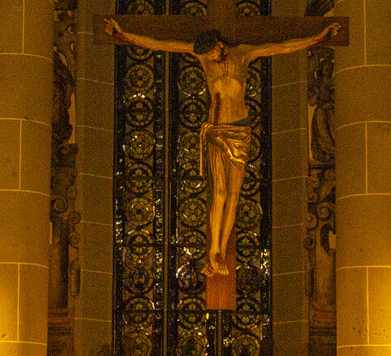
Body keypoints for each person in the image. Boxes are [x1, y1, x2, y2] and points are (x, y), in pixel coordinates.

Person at [104, 17, 339, 278]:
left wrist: (319, 37)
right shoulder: (204, 59)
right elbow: (161, 44)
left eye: (213, 51)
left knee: (234, 196)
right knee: (219, 193)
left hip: (240, 132)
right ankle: (214, 250)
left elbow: (282, 47)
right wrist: (124, 35)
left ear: (219, 43)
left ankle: (223, 248)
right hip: (216, 131)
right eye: (207, 54)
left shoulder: (243, 54)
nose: (212, 56)